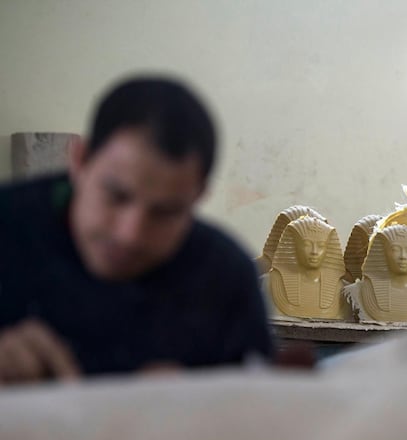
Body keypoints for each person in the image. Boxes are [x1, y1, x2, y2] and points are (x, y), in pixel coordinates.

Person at [0, 76, 274, 384]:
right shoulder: (8, 225)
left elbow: (258, 413)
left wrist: (197, 406)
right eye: (116, 196)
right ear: (79, 161)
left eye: (165, 212)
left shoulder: (225, 277)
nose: (130, 235)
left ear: (197, 196)